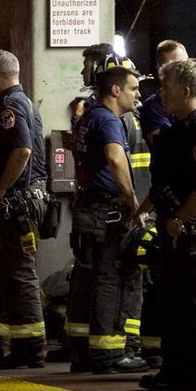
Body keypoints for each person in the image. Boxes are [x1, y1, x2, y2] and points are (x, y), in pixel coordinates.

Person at [134, 59, 196, 391]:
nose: (160, 93)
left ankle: (195, 370)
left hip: (189, 231)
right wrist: (147, 209)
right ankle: (174, 368)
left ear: (185, 90)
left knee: (190, 300)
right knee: (173, 300)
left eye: (166, 86)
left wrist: (179, 220)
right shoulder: (180, 127)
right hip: (174, 225)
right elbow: (165, 179)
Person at [66, 54, 148, 374]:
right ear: (115, 90)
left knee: (88, 280)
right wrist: (132, 202)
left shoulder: (88, 116)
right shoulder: (110, 120)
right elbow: (116, 159)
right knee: (110, 280)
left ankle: (84, 353)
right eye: (133, 88)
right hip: (107, 212)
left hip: (89, 210)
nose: (138, 94)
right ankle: (109, 354)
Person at [0, 50, 48, 368]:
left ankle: (32, 347)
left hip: (18, 203)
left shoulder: (8, 106)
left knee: (20, 273)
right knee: (3, 272)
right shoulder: (23, 102)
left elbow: (22, 150)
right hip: (22, 202)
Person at [137, 40, 189, 367]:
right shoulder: (157, 106)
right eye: (172, 67)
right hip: (169, 201)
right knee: (165, 279)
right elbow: (172, 152)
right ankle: (160, 351)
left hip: (184, 202)